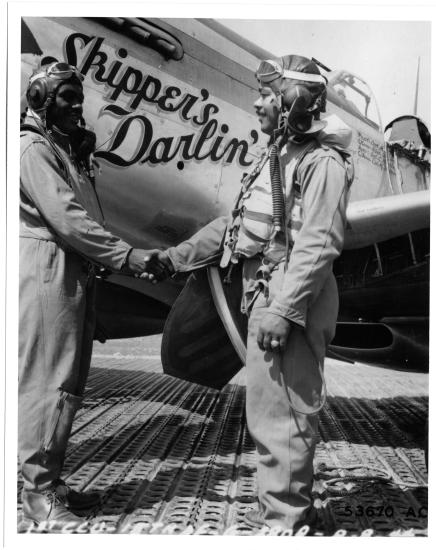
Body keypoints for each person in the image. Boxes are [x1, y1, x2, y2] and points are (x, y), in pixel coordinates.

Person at [141, 55, 354, 532]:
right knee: (266, 410)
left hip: (289, 293)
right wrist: (174, 258)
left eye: (267, 96)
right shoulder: (276, 155)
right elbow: (237, 227)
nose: (256, 103)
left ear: (295, 104)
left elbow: (319, 243)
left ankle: (286, 523)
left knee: (285, 416)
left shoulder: (323, 163)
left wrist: (285, 309)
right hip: (267, 290)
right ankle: (284, 512)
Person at [19, 62, 155, 528]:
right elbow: (68, 218)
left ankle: (50, 481)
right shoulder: (32, 148)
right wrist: (128, 256)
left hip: (73, 268)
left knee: (69, 384)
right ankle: (37, 496)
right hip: (47, 268)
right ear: (38, 99)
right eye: (66, 98)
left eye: (79, 98)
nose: (78, 106)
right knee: (47, 381)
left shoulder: (62, 148)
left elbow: (83, 215)